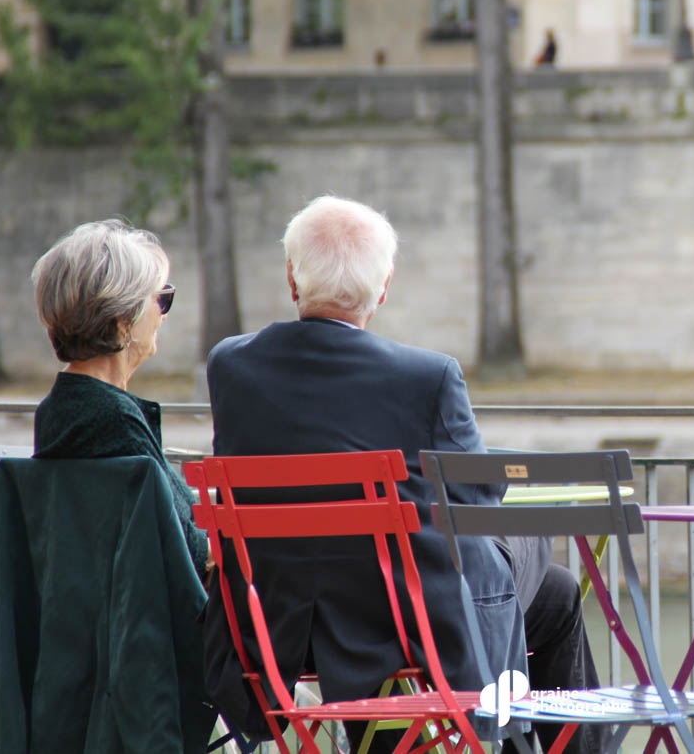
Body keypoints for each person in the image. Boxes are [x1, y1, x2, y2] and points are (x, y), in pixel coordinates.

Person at [203, 195, 601, 753]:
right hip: (403, 628)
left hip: (278, 633)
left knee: (555, 594)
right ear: (384, 287)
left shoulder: (230, 366)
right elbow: (477, 495)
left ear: (293, 280)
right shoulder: (428, 377)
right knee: (526, 534)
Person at [30, 218, 208, 576]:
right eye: (160, 299)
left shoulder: (63, 407)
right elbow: (187, 550)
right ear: (123, 320)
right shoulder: (111, 418)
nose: (162, 315)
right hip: (149, 621)